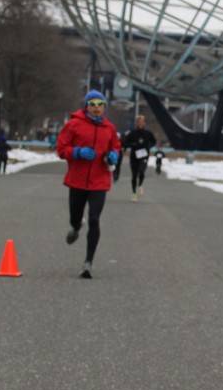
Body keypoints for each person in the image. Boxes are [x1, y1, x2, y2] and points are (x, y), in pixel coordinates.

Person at [56, 90, 121, 278]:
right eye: (92, 104)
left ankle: (88, 263)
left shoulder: (109, 129)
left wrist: (113, 155)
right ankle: (76, 226)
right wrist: (77, 152)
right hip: (77, 180)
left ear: (104, 107)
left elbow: (116, 147)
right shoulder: (73, 125)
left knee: (94, 219)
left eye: (100, 104)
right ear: (86, 106)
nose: (96, 107)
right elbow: (61, 149)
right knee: (75, 217)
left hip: (99, 182)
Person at [122, 114, 157, 202]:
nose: (140, 123)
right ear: (136, 123)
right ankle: (134, 193)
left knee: (141, 171)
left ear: (144, 123)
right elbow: (125, 143)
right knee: (134, 175)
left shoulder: (148, 133)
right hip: (134, 155)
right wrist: (132, 144)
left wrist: (149, 146)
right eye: (138, 122)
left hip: (144, 155)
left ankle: (140, 184)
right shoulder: (132, 133)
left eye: (142, 122)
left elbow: (154, 141)